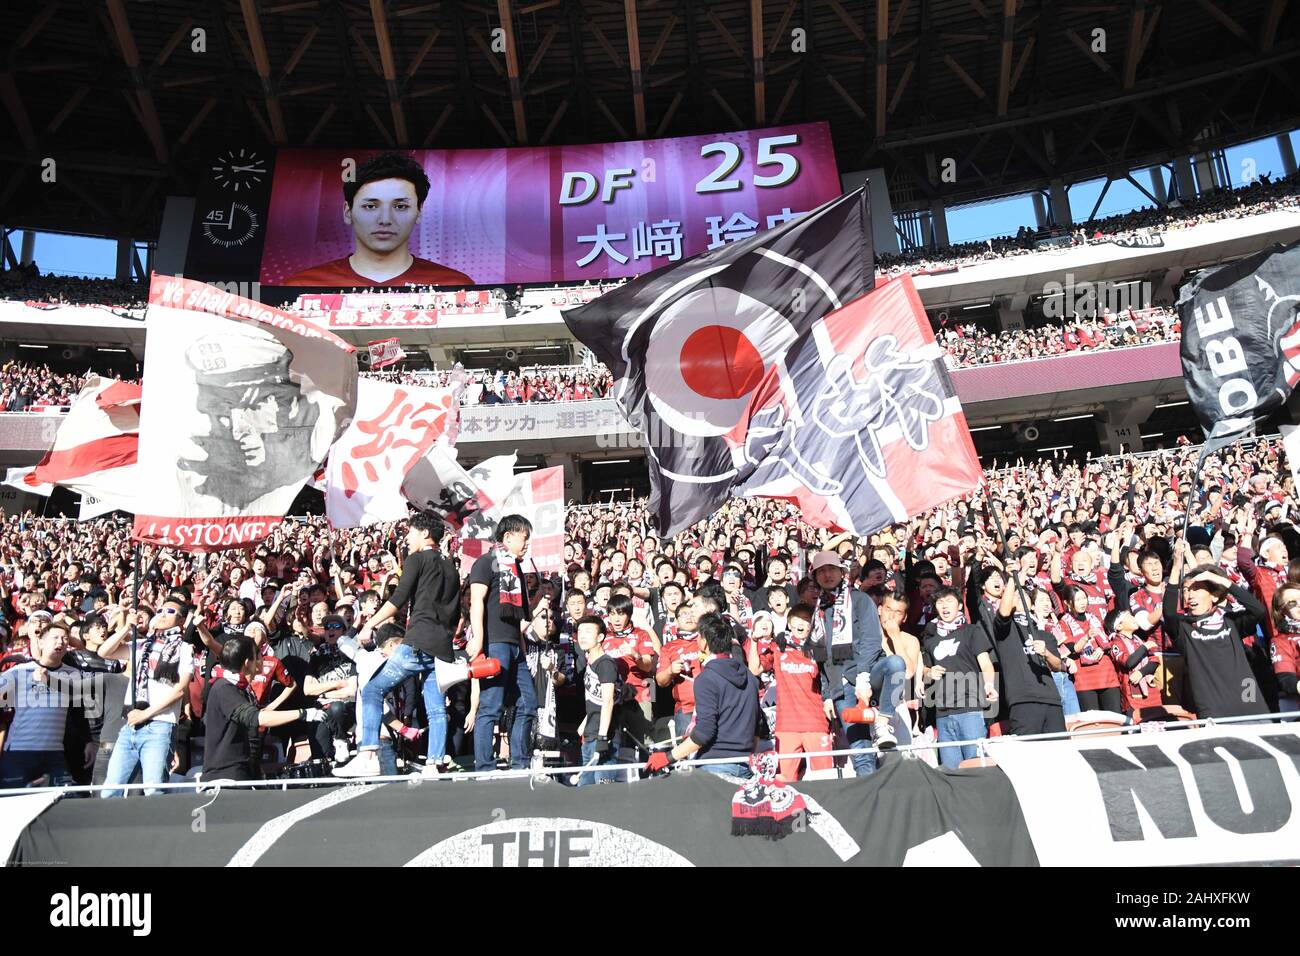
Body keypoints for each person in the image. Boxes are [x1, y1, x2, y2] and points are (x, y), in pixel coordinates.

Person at [334, 512, 461, 778]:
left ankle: (367, 753)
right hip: (442, 647)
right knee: (436, 708)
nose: (407, 538)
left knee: (371, 690)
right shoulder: (450, 566)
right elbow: (455, 614)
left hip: (417, 642)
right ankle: (435, 763)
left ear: (425, 534)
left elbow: (398, 599)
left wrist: (369, 625)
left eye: (411, 532)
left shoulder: (417, 559)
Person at [283, 152, 473, 287]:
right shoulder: (302, 286)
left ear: (419, 212)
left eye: (400, 206)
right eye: (370, 206)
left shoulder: (455, 285)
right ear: (348, 212)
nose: (385, 219)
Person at [180, 330, 322, 511]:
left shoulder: (304, 460)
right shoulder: (204, 488)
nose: (238, 430)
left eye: (254, 407)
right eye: (222, 414)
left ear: (287, 405)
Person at [807, 550, 906, 775]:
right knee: (861, 753)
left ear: (842, 573)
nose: (827, 575)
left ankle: (884, 722)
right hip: (841, 687)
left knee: (896, 664)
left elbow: (872, 640)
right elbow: (822, 660)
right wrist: (826, 695)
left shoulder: (860, 599)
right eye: (821, 571)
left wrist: (863, 676)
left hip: (868, 673)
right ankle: (872, 801)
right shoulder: (819, 610)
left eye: (831, 569)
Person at [97, 599, 194, 798]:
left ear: (181, 619)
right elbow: (104, 651)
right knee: (109, 791)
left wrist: (146, 714)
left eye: (170, 611)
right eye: (160, 610)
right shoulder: (141, 645)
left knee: (153, 790)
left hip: (160, 725)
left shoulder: (184, 648)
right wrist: (126, 627)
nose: (162, 614)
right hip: (131, 725)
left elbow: (180, 690)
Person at [1163, 541, 1270, 720]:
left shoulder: (1230, 621)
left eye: (1197, 589)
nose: (1190, 595)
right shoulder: (1184, 628)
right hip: (1214, 709)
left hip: (1250, 702)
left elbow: (1258, 611)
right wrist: (1176, 567)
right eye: (1187, 591)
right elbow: (1169, 613)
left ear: (1214, 596)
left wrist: (1221, 581)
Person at [644, 612, 758, 778]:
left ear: (704, 642)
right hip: (745, 765)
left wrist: (668, 757)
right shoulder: (750, 677)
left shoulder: (706, 679)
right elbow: (757, 728)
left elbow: (704, 732)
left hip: (715, 767)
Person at [467, 514, 540, 772]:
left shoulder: (517, 568)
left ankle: (520, 763)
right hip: (494, 643)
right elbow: (476, 601)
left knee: (528, 703)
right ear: (508, 537)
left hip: (514, 646)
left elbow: (520, 616)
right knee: (490, 705)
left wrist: (521, 648)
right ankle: (485, 767)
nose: (528, 542)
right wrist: (477, 639)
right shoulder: (485, 562)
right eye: (524, 537)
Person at [203, 636, 323, 782]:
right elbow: (255, 718)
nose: (262, 659)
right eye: (258, 655)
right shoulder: (223, 687)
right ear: (247, 663)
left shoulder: (243, 690)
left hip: (244, 772)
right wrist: (302, 713)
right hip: (225, 777)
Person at [0, 624, 98, 788]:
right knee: (13, 802)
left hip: (54, 753)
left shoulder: (73, 674)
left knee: (65, 799)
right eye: (55, 638)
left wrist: (88, 741)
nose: (61, 642)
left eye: (65, 638)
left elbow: (78, 712)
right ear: (41, 643)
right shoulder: (19, 671)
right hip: (20, 751)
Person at [748, 603, 833, 782]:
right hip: (787, 727)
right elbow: (755, 670)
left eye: (806, 620)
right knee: (785, 781)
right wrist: (754, 641)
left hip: (816, 723)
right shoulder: (779, 648)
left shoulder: (821, 650)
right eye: (797, 619)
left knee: (825, 779)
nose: (801, 624)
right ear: (789, 622)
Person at [921, 586, 997, 769]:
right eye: (940, 602)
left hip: (970, 708)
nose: (944, 606)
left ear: (960, 606)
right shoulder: (930, 639)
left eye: (949, 601)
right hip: (943, 712)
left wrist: (989, 685)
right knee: (951, 770)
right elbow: (923, 669)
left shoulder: (971, 631)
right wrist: (929, 673)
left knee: (976, 765)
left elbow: (986, 663)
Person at [574, 615, 620, 786]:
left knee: (603, 789)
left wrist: (602, 737)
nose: (582, 636)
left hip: (604, 737)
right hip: (589, 735)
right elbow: (595, 700)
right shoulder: (590, 663)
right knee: (584, 789)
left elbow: (608, 701)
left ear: (600, 637)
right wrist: (584, 724)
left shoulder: (605, 664)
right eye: (579, 631)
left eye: (588, 631)